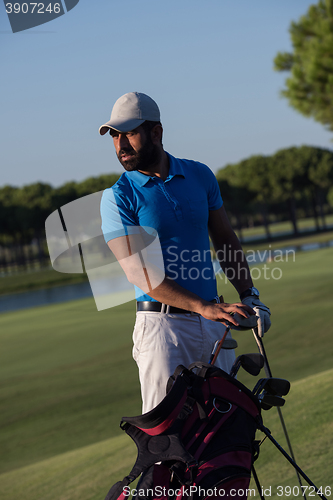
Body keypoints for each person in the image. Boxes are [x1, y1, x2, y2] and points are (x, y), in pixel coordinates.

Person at [99, 92, 271, 413]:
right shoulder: (118, 198)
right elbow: (140, 274)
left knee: (228, 427)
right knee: (169, 440)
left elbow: (224, 237)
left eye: (130, 133)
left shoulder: (199, 175)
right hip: (162, 332)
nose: (120, 145)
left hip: (215, 322)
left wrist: (250, 295)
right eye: (114, 136)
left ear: (157, 133)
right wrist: (201, 306)